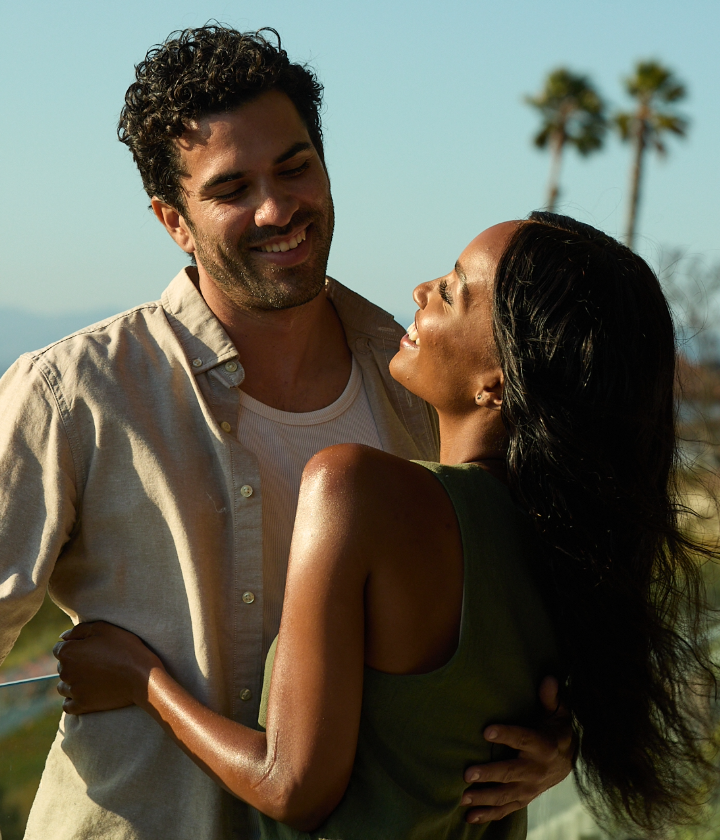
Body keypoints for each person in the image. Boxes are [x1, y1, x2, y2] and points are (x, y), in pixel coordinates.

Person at [0, 26, 570, 840]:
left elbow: (533, 612)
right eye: (232, 188)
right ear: (174, 221)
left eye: (295, 166)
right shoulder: (72, 394)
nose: (277, 208)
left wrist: (562, 739)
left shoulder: (425, 385)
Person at [55, 213, 718, 840]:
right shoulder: (569, 546)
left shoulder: (360, 489)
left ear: (497, 383)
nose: (421, 289)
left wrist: (139, 677)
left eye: (453, 290)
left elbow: (291, 786)